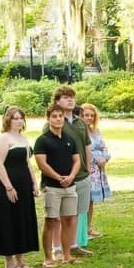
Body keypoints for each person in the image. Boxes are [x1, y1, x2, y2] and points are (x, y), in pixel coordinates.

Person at [0, 106, 41, 268]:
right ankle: (9, 262)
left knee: (22, 219)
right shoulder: (4, 138)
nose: (19, 121)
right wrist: (9, 187)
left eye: (21, 118)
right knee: (9, 219)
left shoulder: (23, 138)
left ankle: (20, 260)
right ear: (8, 120)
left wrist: (34, 182)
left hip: (24, 184)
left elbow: (27, 163)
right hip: (9, 184)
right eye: (15, 118)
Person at [33, 102, 82, 267]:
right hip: (52, 187)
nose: (58, 119)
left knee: (68, 220)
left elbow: (77, 160)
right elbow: (42, 164)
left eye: (60, 116)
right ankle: (48, 258)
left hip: (70, 187)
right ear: (48, 119)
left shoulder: (69, 140)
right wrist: (58, 177)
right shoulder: (42, 140)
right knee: (51, 221)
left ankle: (66, 255)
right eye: (54, 116)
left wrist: (71, 176)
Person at [54, 85, 94, 257]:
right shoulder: (55, 121)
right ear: (57, 101)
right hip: (63, 176)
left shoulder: (81, 122)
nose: (70, 100)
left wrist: (88, 168)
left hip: (82, 175)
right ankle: (57, 248)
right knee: (60, 214)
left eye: (72, 97)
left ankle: (73, 245)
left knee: (78, 212)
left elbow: (87, 146)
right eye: (65, 97)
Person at [82, 102, 111, 237]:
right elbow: (83, 151)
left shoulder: (96, 131)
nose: (89, 118)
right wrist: (95, 159)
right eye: (86, 115)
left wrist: (105, 158)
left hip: (98, 169)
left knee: (91, 200)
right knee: (84, 198)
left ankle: (88, 227)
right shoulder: (79, 132)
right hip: (88, 168)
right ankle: (80, 230)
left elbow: (104, 147)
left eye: (92, 115)